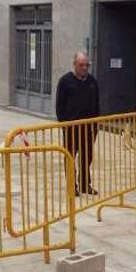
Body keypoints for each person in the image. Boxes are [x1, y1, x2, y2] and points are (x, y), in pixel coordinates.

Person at [55, 51, 100, 196]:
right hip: (71, 128)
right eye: (81, 65)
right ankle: (71, 186)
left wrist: (96, 125)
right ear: (74, 65)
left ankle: (85, 185)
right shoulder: (65, 81)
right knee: (70, 158)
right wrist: (65, 124)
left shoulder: (92, 81)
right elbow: (59, 106)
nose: (85, 68)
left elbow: (97, 104)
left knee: (87, 157)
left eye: (87, 65)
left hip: (88, 128)